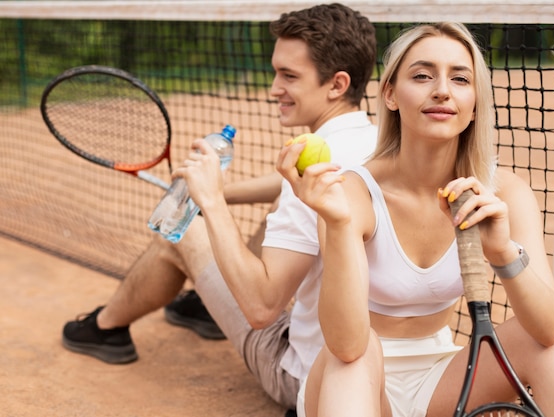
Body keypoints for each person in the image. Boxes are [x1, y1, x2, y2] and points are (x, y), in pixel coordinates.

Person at [277, 22, 554, 417]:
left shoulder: (505, 193)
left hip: (442, 382)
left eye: (460, 79)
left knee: (541, 343)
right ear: (390, 94)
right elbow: (346, 346)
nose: (442, 90)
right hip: (351, 383)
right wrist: (338, 224)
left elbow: (551, 329)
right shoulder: (350, 193)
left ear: (473, 105)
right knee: (356, 356)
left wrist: (502, 252)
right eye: (421, 75)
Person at [61, 3, 378, 412]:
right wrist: (221, 190)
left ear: (336, 85)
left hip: (305, 377)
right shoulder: (374, 143)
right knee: (278, 211)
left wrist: (209, 201)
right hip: (374, 369)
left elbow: (263, 310)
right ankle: (204, 307)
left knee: (181, 231)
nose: (273, 88)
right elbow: (287, 185)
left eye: (289, 76)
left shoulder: (315, 166)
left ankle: (106, 329)